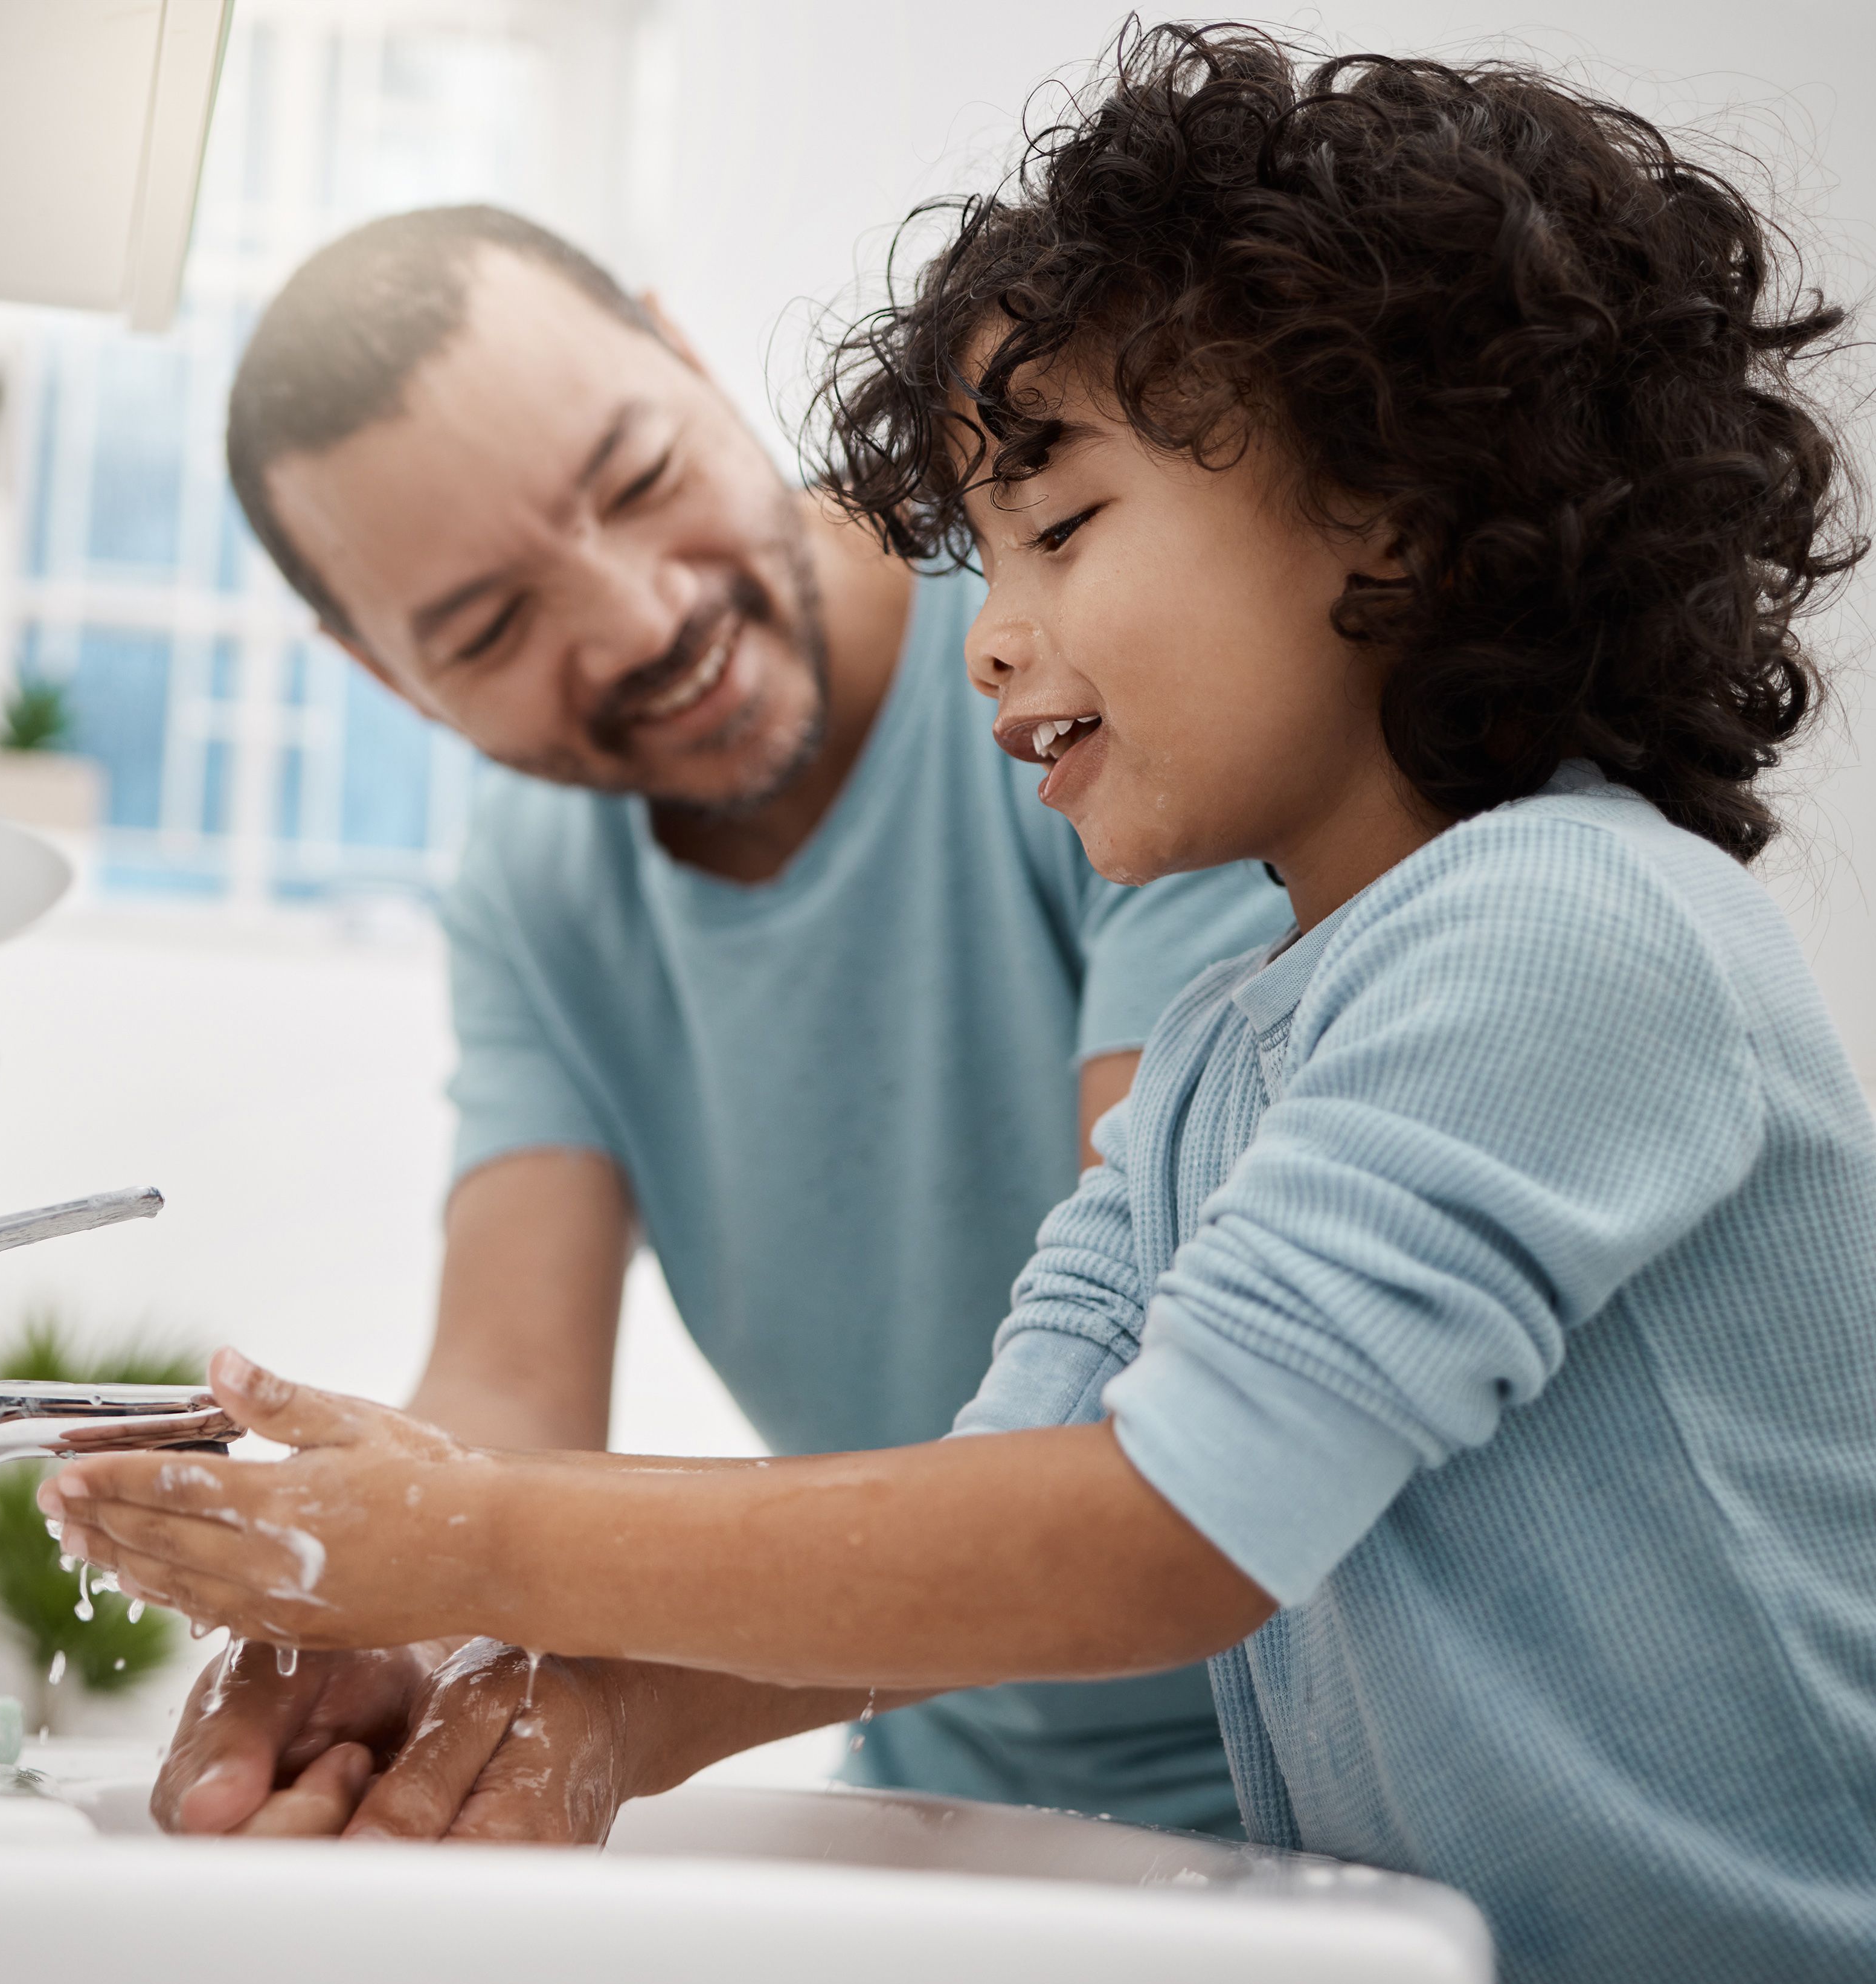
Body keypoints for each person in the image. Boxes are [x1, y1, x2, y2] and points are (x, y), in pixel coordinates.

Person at [47, 27, 1876, 1984]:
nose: (986, 632)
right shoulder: (1219, 1060)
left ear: (1394, 505)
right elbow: (1008, 1498)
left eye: (1060, 531)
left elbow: (1158, 1528)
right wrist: (579, 1715)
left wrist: (473, 1544)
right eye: (981, 551)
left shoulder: (1565, 929)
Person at [158, 202, 1290, 1839]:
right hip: (940, 1801)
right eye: (487, 628)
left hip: (1311, 1780)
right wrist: (385, 1616)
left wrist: (531, 1608)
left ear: (691, 360)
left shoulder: (1074, 673)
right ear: (392, 682)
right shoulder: (541, 882)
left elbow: (1146, 1396)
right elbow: (510, 1381)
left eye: (637, 482)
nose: (636, 621)